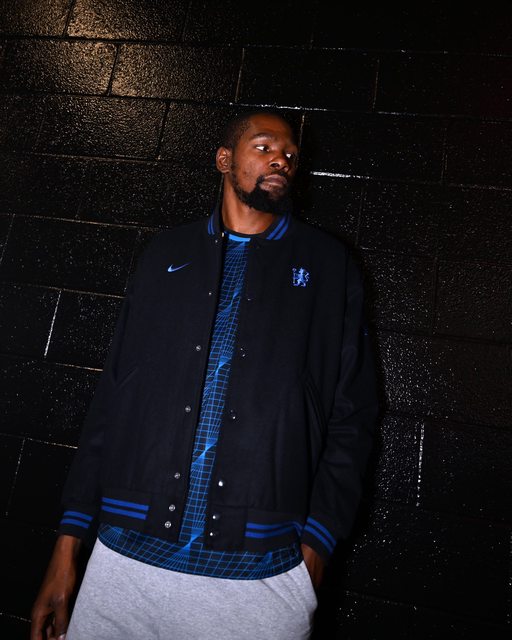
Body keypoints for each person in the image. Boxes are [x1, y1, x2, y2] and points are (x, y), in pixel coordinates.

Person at [30, 109, 379, 640]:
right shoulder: (165, 253)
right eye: (264, 147)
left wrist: (317, 546)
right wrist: (68, 544)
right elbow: (113, 399)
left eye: (290, 154)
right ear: (224, 159)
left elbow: (353, 416)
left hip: (261, 576)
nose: (281, 159)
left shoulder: (329, 264)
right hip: (124, 562)